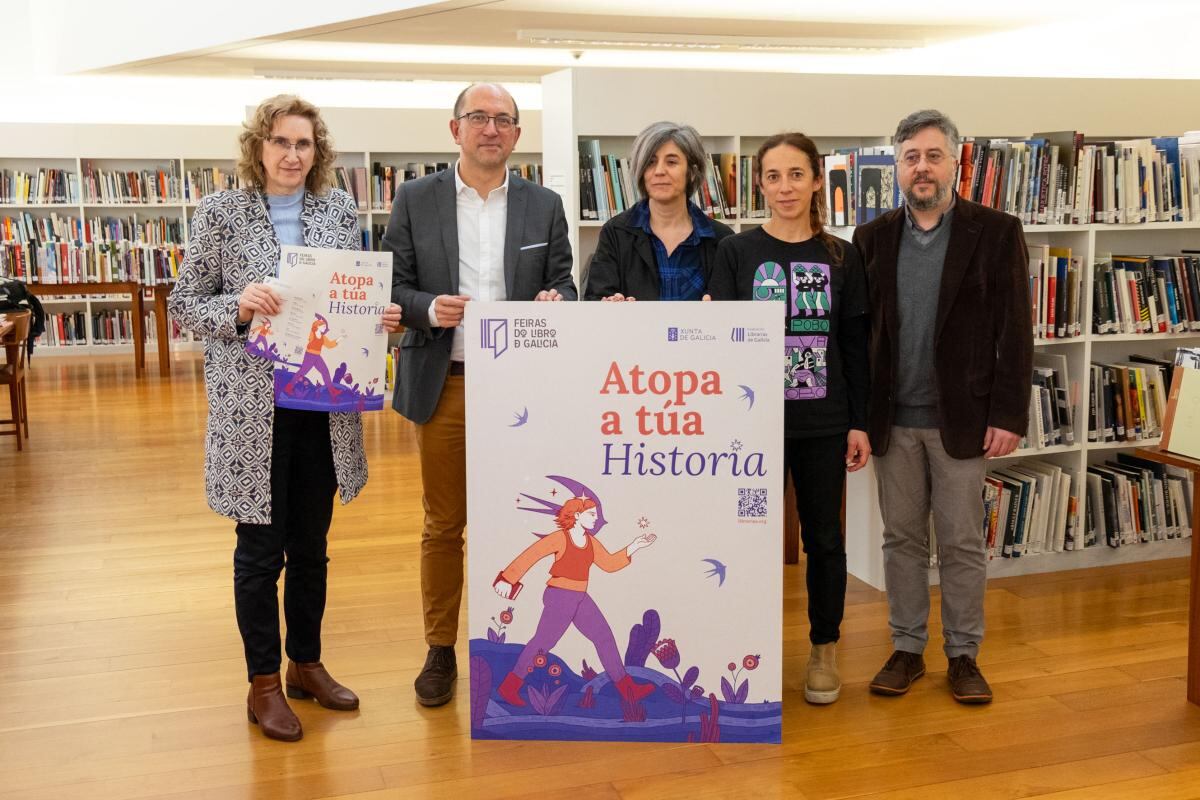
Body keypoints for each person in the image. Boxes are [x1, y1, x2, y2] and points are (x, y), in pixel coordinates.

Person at [169, 94, 403, 741]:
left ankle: (306, 663)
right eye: (280, 142)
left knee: (312, 548)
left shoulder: (338, 208)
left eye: (303, 144)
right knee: (259, 552)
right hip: (253, 409)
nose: (292, 155)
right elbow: (183, 302)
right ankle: (264, 683)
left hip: (322, 406)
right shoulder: (221, 211)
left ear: (317, 151)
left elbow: (352, 291)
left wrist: (378, 317)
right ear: (259, 148)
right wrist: (238, 307)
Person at [381, 82, 577, 707]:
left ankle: (521, 644)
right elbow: (393, 285)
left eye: (503, 120)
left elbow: (565, 284)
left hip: (525, 392)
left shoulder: (544, 205)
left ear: (518, 134)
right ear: (455, 129)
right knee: (445, 523)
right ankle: (441, 649)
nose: (490, 129)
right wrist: (425, 308)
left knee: (525, 524)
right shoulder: (415, 198)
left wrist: (559, 300)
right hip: (448, 385)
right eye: (478, 118)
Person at [853, 109, 1032, 704]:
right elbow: (861, 335)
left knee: (959, 542)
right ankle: (907, 649)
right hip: (892, 420)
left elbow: (1016, 331)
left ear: (957, 162)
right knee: (900, 539)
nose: (921, 167)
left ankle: (963, 655)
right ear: (897, 167)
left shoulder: (997, 232)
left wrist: (1009, 414)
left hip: (965, 420)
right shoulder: (871, 238)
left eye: (933, 156)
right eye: (910, 157)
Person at [707, 132, 871, 705]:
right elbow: (722, 344)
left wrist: (859, 421)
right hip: (751, 426)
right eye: (773, 176)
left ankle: (824, 647)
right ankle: (744, 646)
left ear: (818, 180)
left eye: (796, 175)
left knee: (825, 539)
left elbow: (854, 343)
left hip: (823, 424)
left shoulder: (843, 255)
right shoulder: (736, 253)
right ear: (760, 183)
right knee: (747, 539)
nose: (784, 188)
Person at [491, 496, 657, 707]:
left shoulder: (591, 542)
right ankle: (510, 686)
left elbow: (609, 563)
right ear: (577, 515)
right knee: (543, 642)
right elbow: (532, 554)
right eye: (592, 514)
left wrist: (634, 547)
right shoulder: (560, 538)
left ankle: (627, 689)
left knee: (604, 636)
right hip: (560, 595)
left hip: (580, 597)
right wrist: (507, 578)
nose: (597, 519)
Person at [583, 121, 733, 301]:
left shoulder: (722, 239)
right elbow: (594, 302)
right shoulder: (615, 233)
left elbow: (736, 311)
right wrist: (610, 305)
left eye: (671, 162)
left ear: (692, 172)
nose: (659, 171)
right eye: (651, 162)